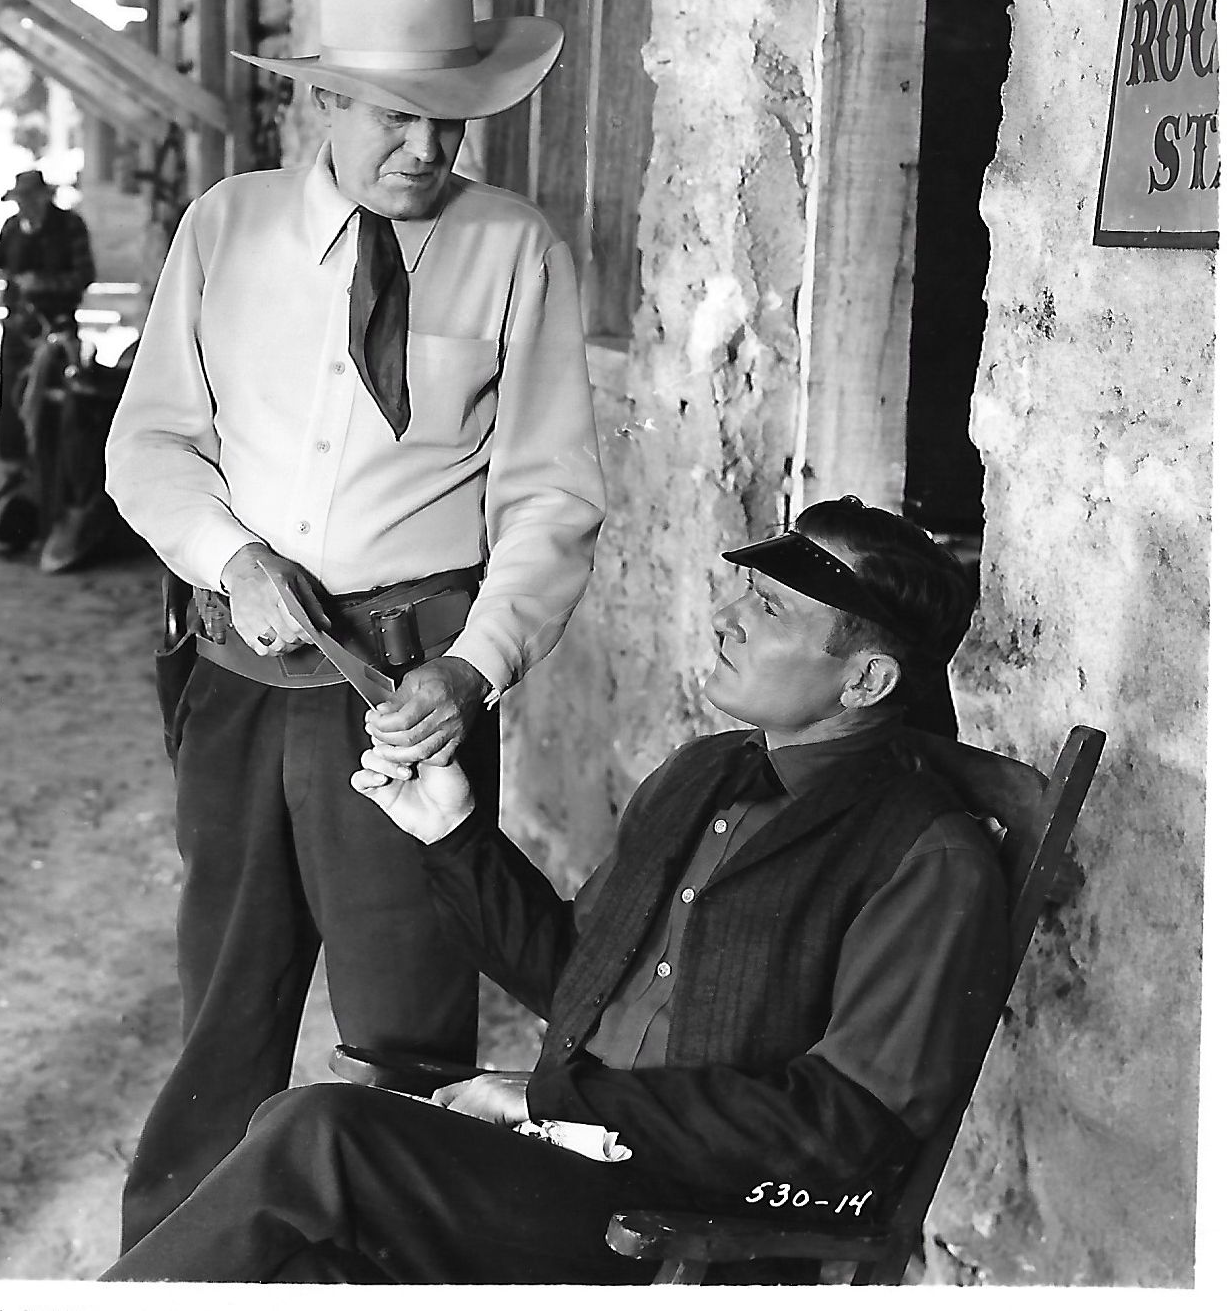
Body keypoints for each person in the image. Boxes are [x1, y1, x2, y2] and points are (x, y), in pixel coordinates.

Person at [102, 496, 1006, 1283]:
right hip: (567, 1172)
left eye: (768, 608)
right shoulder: (709, 775)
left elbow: (848, 1125)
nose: (726, 616)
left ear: (868, 677)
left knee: (321, 1138)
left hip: (688, 1220)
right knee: (294, 1241)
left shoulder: (927, 859)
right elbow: (577, 972)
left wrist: (549, 1101)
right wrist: (450, 832)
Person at [102, 0, 607, 1250]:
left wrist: (467, 672)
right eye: (398, 118)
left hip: (400, 694)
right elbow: (148, 442)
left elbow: (550, 496)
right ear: (313, 101)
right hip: (234, 674)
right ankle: (170, 1261)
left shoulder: (513, 251)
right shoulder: (226, 228)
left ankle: (385, 1259)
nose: (428, 151)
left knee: (404, 1020)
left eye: (452, 123)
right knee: (224, 992)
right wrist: (229, 553)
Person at [0, 168, 96, 502]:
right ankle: (14, 473)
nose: (25, 206)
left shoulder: (70, 227)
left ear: (46, 197)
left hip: (56, 332)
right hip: (17, 330)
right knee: (11, 401)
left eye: (31, 199)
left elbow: (84, 275)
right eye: (21, 200)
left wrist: (43, 283)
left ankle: (49, 477)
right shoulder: (13, 228)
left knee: (52, 405)